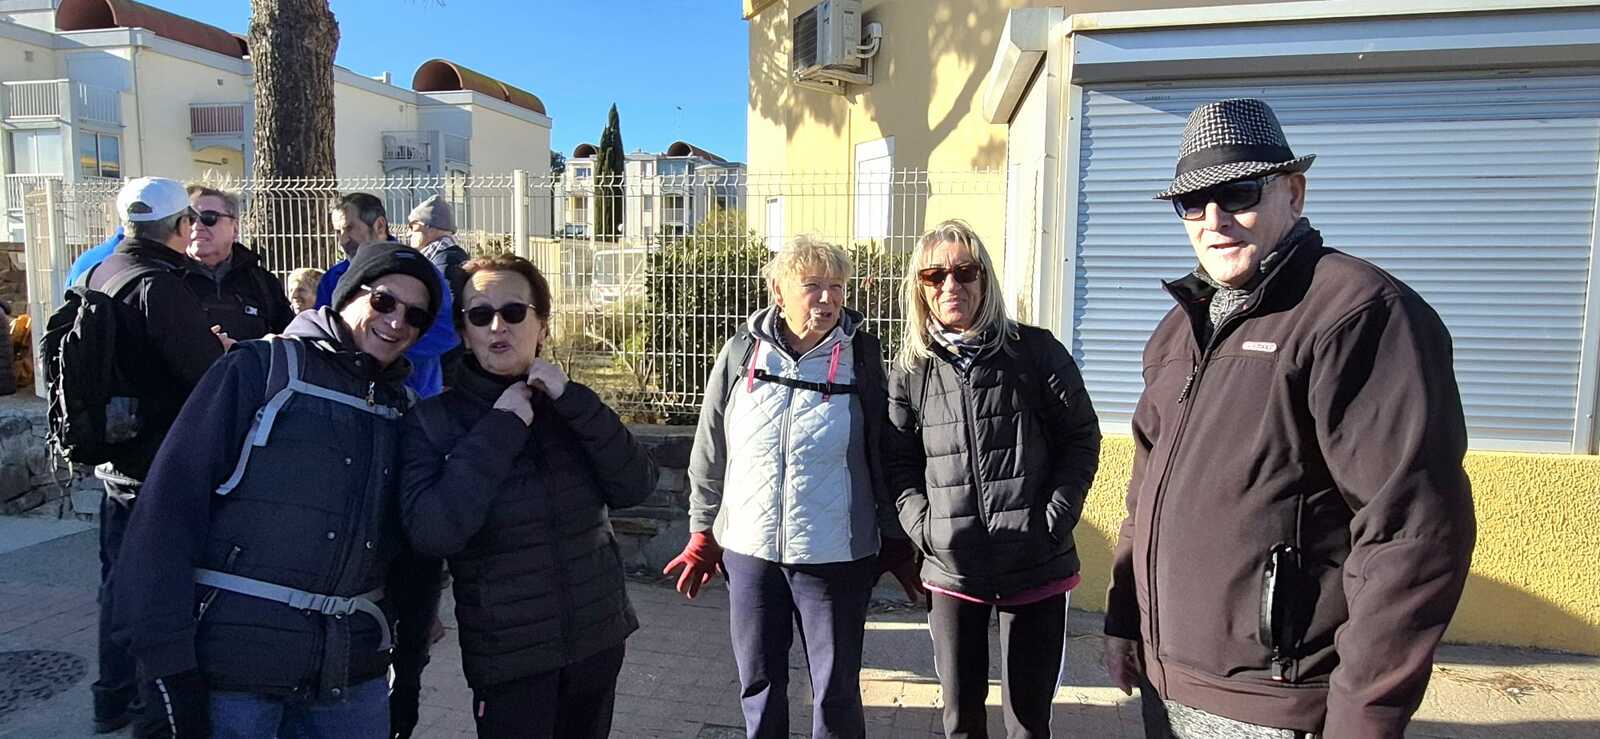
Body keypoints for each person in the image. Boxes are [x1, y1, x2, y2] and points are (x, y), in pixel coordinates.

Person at [1103, 98, 1477, 739]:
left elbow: (1411, 533)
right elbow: (1144, 500)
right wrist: (1123, 622)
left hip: (1280, 702)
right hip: (1168, 689)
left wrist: (1363, 718)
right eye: (1192, 202)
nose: (1214, 220)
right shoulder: (1177, 333)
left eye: (1238, 192)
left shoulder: (1356, 314)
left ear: (1294, 193)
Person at [112, 242, 448, 739]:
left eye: (415, 316)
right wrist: (168, 669)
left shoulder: (406, 413)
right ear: (349, 295)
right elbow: (167, 515)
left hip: (350, 679)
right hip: (236, 679)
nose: (397, 321)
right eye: (383, 301)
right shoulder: (258, 370)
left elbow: (414, 564)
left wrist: (410, 673)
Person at [666, 237, 920, 739]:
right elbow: (711, 447)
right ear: (779, 293)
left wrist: (895, 538)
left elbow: (886, 452)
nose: (827, 298)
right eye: (812, 286)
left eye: (837, 286)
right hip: (750, 554)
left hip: (835, 557)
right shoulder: (741, 352)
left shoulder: (862, 358)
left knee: (835, 691)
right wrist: (702, 530)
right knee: (759, 685)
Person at [398, 254, 658, 738]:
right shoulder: (433, 422)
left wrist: (575, 399)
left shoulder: (570, 406)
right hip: (510, 659)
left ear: (542, 325)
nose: (498, 326)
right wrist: (501, 426)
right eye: (480, 315)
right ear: (465, 333)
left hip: (597, 641)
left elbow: (635, 484)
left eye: (514, 312)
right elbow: (434, 531)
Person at [883, 220, 1101, 739]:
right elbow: (898, 462)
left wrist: (1053, 518)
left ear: (984, 279)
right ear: (919, 288)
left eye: (965, 272)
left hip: (1036, 564)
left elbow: (1080, 438)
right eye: (934, 276)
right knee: (961, 719)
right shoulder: (911, 370)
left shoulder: (1036, 351)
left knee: (1028, 722)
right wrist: (926, 529)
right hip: (953, 569)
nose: (950, 285)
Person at [85, 177, 229, 736]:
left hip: (116, 457)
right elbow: (205, 374)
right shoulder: (159, 286)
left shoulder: (103, 270)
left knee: (118, 583)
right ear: (180, 226)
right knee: (157, 594)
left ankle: (112, 697)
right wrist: (219, 348)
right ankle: (153, 711)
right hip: (157, 465)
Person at [317, 192, 457, 398]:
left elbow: (447, 332)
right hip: (342, 394)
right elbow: (322, 331)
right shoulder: (333, 278)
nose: (343, 240)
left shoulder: (423, 274)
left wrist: (386, 350)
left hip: (412, 396)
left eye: (349, 228)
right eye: (337, 231)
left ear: (380, 226)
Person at [182, 185, 294, 342]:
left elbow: (287, 339)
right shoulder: (168, 278)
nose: (197, 226)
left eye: (209, 218)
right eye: (190, 219)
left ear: (234, 228)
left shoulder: (262, 283)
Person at [407, 195, 469, 305]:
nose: (409, 233)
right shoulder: (447, 255)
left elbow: (449, 305)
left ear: (430, 227)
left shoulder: (445, 261)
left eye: (412, 226)